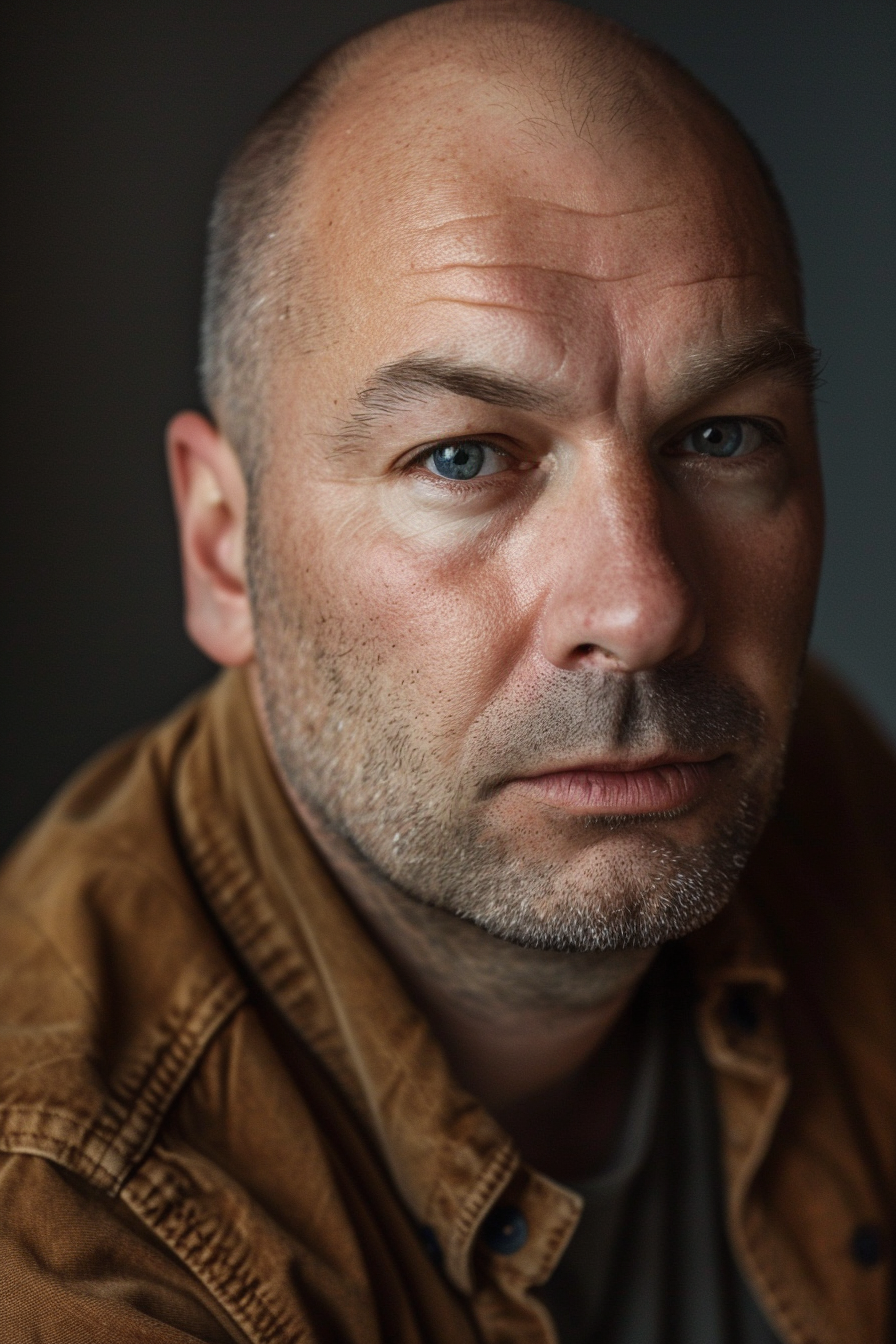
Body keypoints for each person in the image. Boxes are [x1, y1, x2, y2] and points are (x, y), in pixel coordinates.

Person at [0, 1, 893, 1340]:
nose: (646, 609)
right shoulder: (66, 1224)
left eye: (720, 436)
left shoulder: (818, 789)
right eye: (464, 457)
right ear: (224, 545)